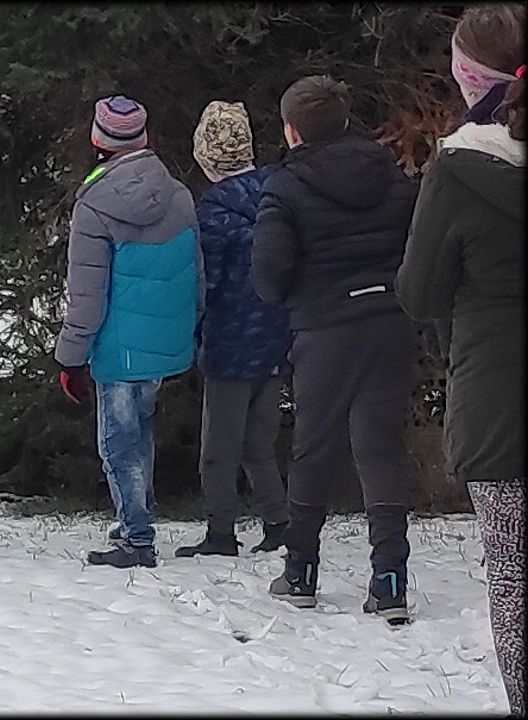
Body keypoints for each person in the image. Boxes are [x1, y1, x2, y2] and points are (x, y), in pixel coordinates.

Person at [251, 76, 419, 624]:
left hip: (324, 328)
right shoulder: (391, 175)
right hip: (390, 320)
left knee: (314, 447)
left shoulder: (285, 188)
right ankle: (390, 581)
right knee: (381, 449)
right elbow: (415, 246)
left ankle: (300, 572)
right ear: (345, 121)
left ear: (292, 130)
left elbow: (269, 277)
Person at [396, 5, 524, 713]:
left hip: (501, 407)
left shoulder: (458, 170)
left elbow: (419, 293)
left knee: (515, 583)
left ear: (468, 77)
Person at [54, 94, 202, 569]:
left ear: (97, 139)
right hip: (164, 342)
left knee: (118, 443)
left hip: (118, 346)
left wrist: (70, 356)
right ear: (144, 138)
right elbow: (195, 275)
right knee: (140, 432)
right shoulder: (179, 195)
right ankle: (134, 517)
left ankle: (137, 538)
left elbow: (87, 295)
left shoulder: (93, 207)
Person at [174, 101, 292, 558]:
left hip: (230, 342)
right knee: (259, 442)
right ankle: (278, 521)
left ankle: (221, 531)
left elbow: (207, 284)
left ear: (205, 155)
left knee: (219, 447)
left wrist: (192, 331)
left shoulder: (213, 212)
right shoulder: (278, 193)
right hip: (277, 336)